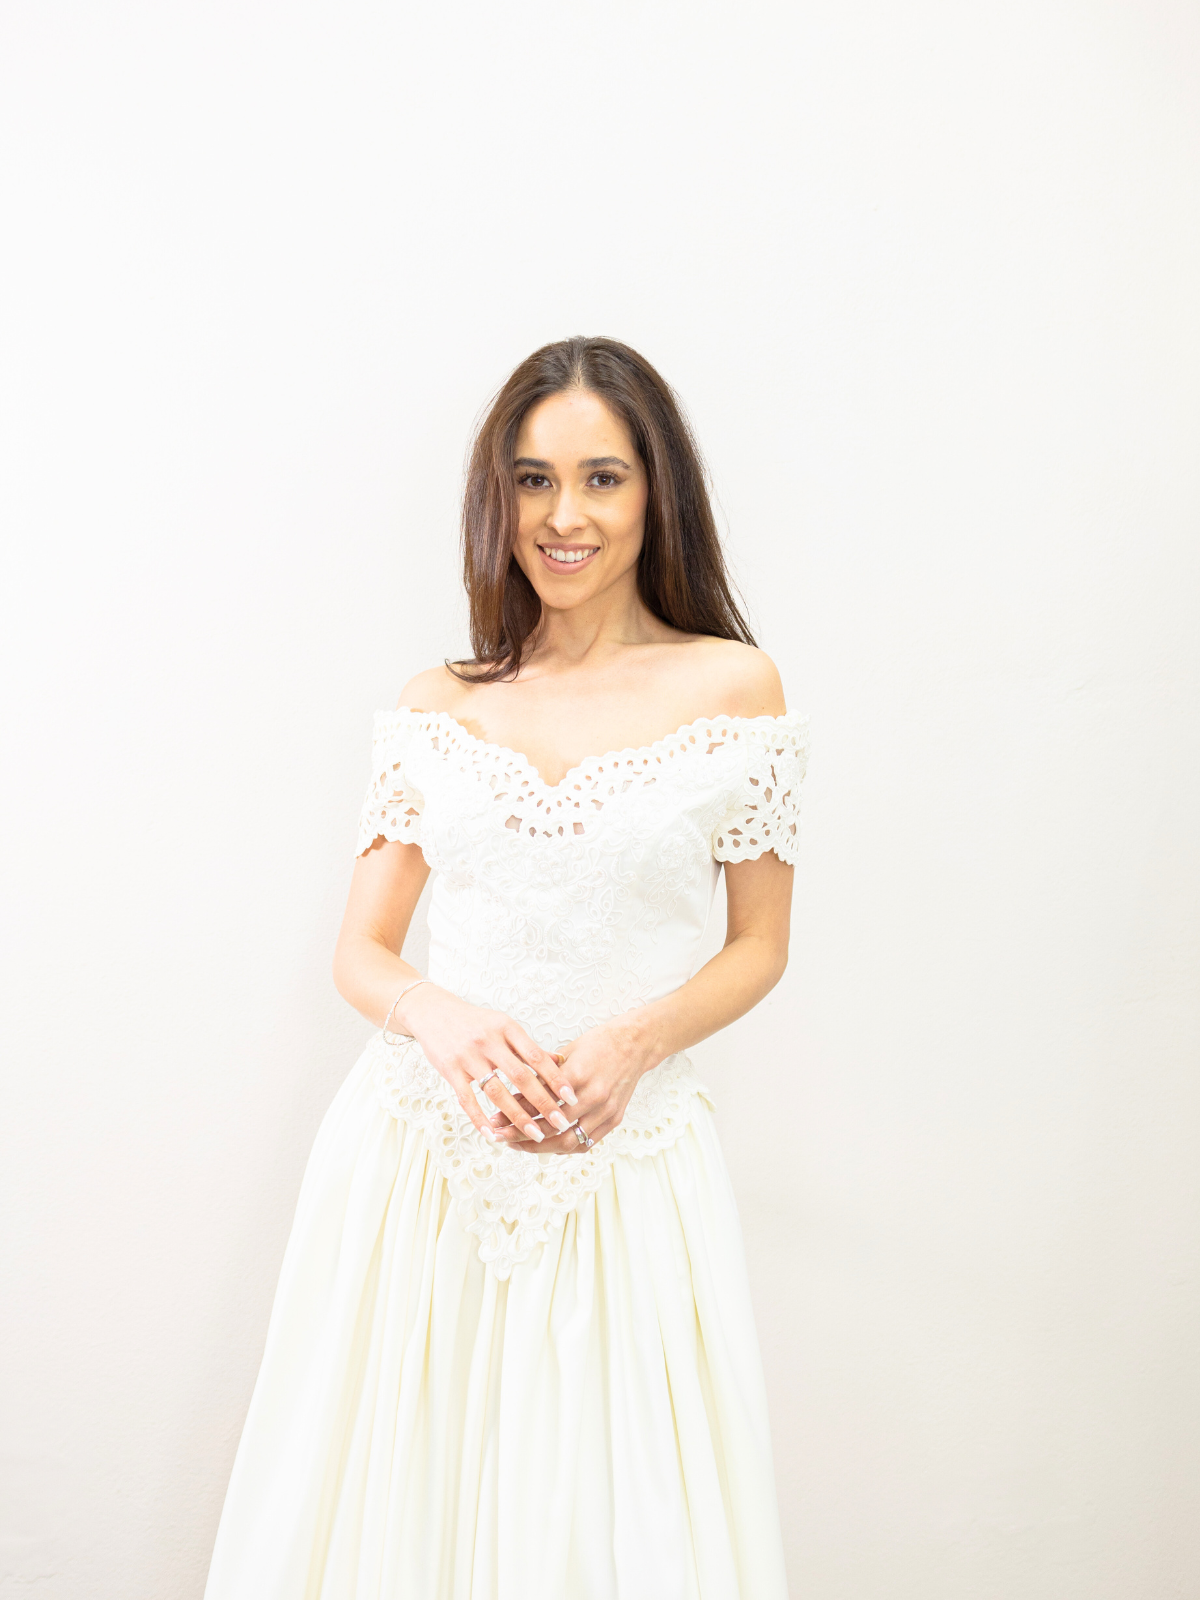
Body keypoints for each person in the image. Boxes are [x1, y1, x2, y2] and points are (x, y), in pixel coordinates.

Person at [204, 336, 808, 1598]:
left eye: (601, 478)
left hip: (621, 1163)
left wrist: (636, 1041)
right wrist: (442, 1019)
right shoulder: (440, 704)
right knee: (402, 1499)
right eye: (533, 480)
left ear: (657, 492)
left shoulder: (735, 688)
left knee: (612, 1511)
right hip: (421, 1162)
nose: (562, 516)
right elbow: (361, 951)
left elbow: (761, 945)